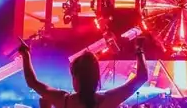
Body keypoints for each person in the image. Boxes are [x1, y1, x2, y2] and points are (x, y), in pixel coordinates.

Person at [19, 37, 149, 108]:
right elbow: (142, 77)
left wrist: (26, 55)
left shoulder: (64, 101)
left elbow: (32, 82)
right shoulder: (108, 100)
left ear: (76, 78)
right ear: (96, 78)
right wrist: (139, 50)